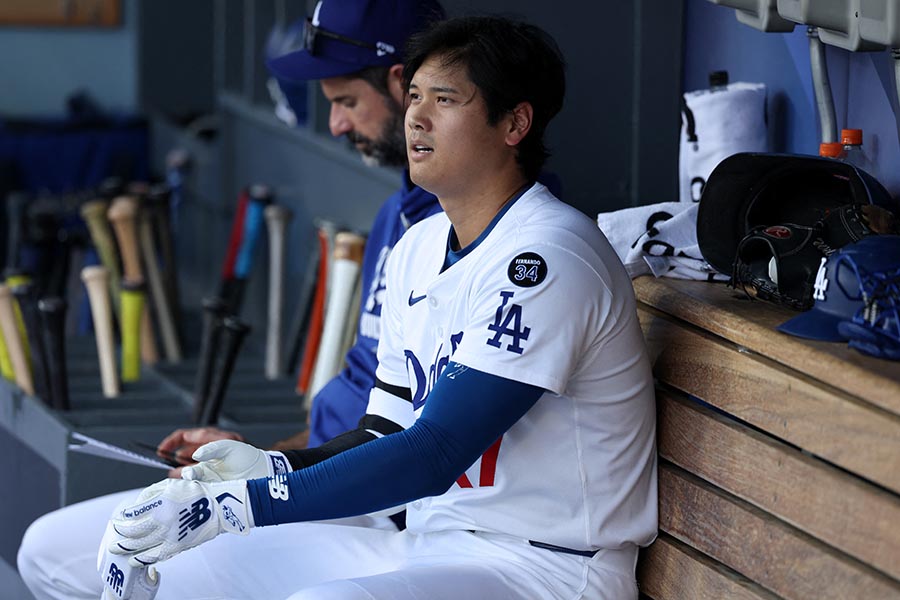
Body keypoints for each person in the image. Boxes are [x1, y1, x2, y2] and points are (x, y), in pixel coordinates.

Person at [100, 15, 658, 599]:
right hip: (427, 541)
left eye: (445, 99)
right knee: (185, 575)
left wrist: (237, 506)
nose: (417, 116)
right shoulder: (418, 245)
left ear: (515, 122)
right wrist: (274, 468)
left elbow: (434, 451)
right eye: (413, 95)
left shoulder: (546, 256)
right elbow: (385, 429)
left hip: (546, 567)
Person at [17, 1, 446, 598]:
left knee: (120, 565)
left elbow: (413, 440)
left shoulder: (476, 240)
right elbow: (360, 406)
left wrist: (267, 476)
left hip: (366, 507)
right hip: (312, 477)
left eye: (346, 102)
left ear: (404, 85)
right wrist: (254, 457)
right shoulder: (396, 214)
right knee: (46, 549)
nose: (335, 128)